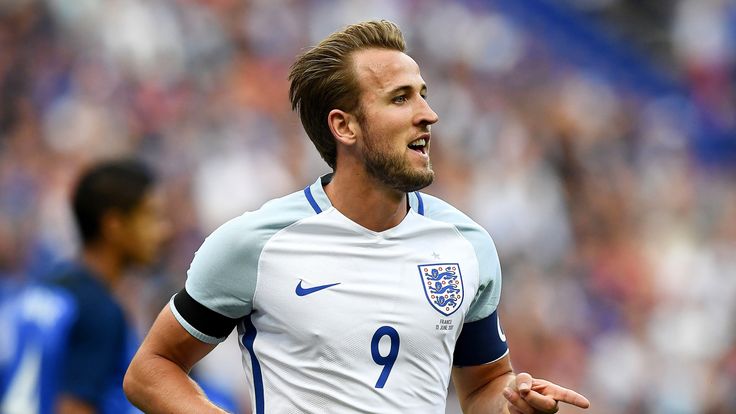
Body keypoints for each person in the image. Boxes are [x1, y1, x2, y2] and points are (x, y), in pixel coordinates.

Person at [124, 20, 591, 414]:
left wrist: (512, 402)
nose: (428, 114)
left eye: (423, 95)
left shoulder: (466, 244)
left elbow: (485, 383)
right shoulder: (256, 243)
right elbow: (151, 369)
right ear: (343, 125)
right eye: (400, 98)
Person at [0, 159, 171, 414]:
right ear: (113, 225)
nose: (163, 231)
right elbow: (73, 407)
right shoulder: (100, 312)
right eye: (150, 216)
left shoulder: (44, 288)